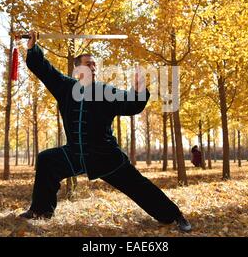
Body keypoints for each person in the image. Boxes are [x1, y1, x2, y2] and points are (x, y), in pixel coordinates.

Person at [19, 31, 192, 232]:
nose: (93, 67)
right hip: (75, 154)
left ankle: (174, 216)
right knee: (47, 160)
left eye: (94, 64)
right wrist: (33, 47)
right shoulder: (64, 87)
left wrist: (139, 90)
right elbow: (43, 69)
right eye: (88, 63)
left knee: (138, 186)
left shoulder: (105, 91)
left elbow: (132, 106)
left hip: (106, 155)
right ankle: (41, 211)